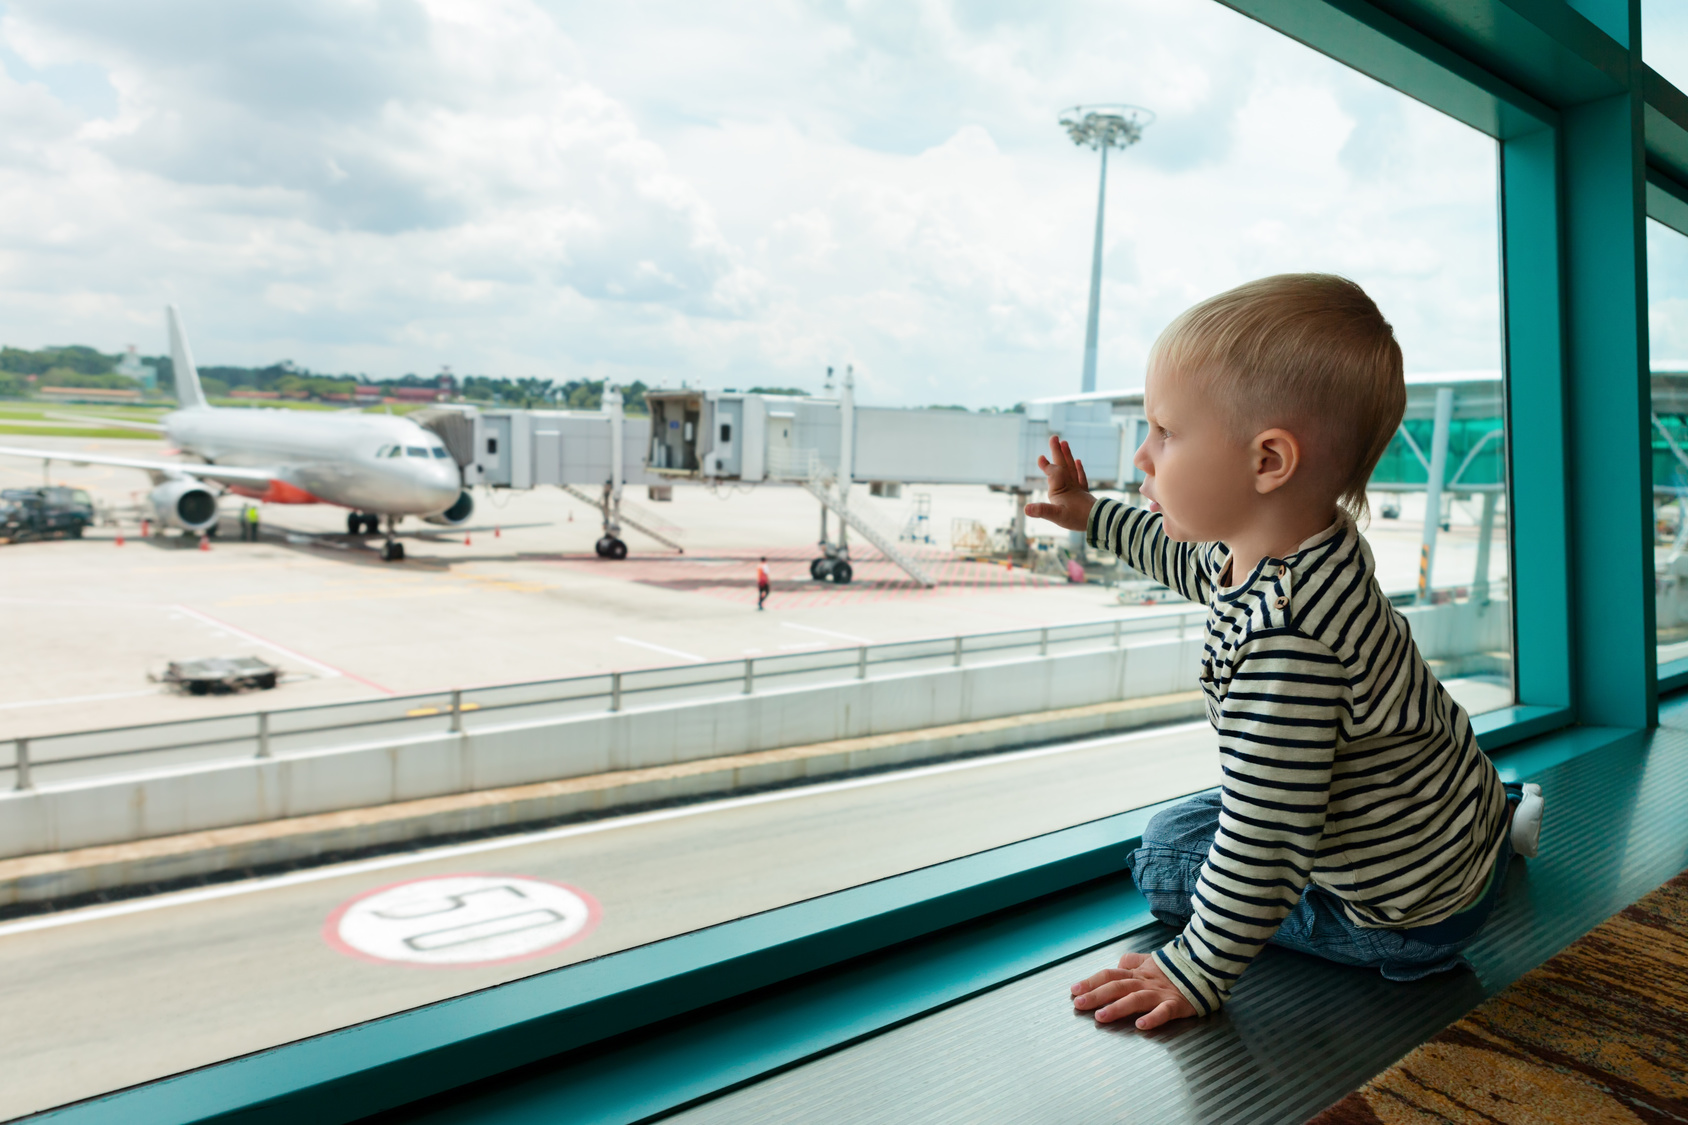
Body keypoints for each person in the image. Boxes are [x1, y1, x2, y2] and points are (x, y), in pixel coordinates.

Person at [1028, 274, 1545, 1032]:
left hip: (1401, 913)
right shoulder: (1307, 549)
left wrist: (1194, 968)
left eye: (1165, 432)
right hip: (1449, 815)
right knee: (1219, 820)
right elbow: (1183, 559)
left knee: (1164, 853)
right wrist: (1088, 514)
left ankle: (1425, 937)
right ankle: (1494, 833)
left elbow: (1265, 838)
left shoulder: (1290, 642)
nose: (1143, 456)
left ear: (1268, 461)